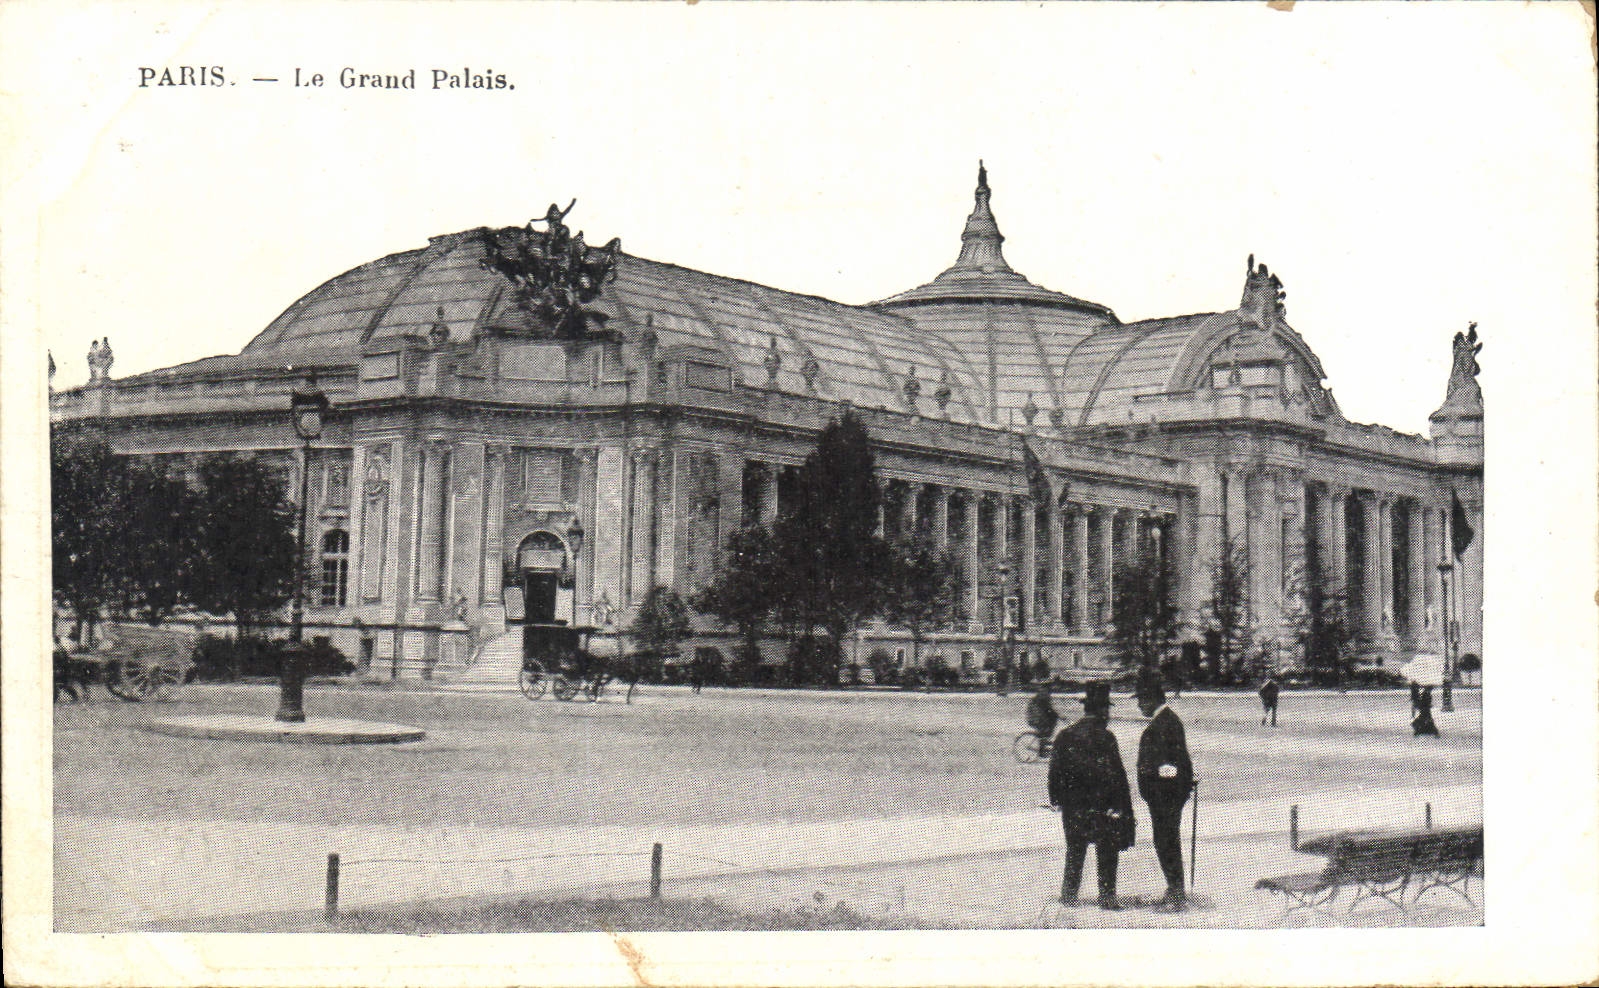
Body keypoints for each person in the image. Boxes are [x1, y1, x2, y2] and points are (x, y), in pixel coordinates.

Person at [1047, 682, 1135, 910]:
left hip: (1073, 806)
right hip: (1102, 806)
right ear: (1104, 711)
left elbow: (1055, 772)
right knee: (1107, 850)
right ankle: (1107, 897)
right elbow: (1117, 775)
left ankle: (1068, 895)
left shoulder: (1065, 735)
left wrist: (1057, 799)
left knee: (1075, 849)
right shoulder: (1106, 737)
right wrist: (1123, 807)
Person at [1135, 676, 1194, 911]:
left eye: (1141, 700)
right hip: (1165, 795)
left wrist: (1168, 782)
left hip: (1165, 797)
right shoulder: (1166, 721)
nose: (1139, 706)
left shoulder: (1165, 723)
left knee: (1166, 842)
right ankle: (1174, 889)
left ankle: (1176, 893)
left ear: (1152, 699)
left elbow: (1174, 763)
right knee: (1166, 841)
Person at [1026, 682, 1060, 755]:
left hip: (1038, 716)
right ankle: (1042, 749)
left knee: (1051, 722)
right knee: (1045, 726)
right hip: (1035, 717)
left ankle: (1044, 741)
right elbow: (1046, 708)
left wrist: (1056, 715)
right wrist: (1056, 715)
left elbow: (1049, 709)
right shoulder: (1043, 696)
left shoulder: (1044, 695)